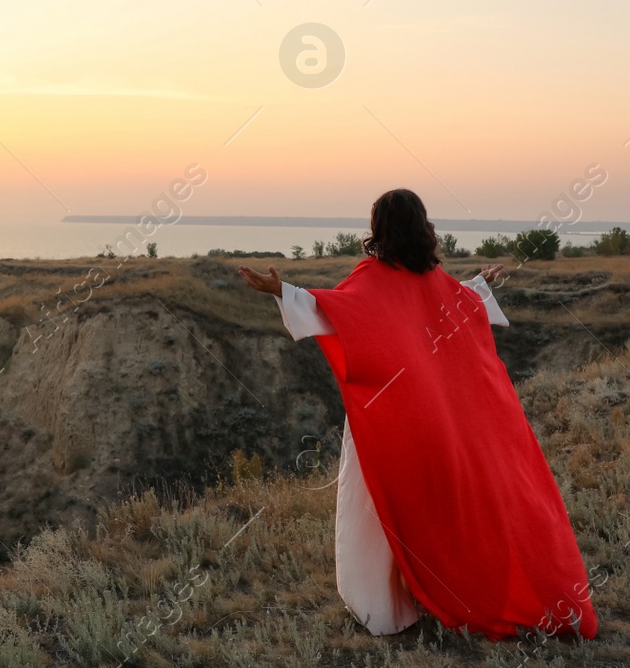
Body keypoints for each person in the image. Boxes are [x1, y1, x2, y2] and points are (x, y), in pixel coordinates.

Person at [238, 189, 598, 640]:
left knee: (375, 509)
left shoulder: (373, 277)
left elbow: (332, 310)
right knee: (441, 513)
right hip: (439, 424)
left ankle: (384, 610)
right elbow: (455, 305)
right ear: (422, 226)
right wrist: (480, 284)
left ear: (378, 230)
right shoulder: (434, 278)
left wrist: (281, 291)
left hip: (391, 423)